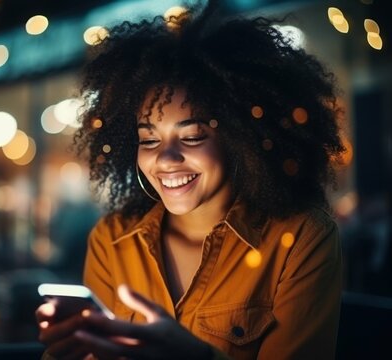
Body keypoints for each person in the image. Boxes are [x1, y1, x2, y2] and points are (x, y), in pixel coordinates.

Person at [36, 0, 346, 358]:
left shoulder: (300, 239)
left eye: (193, 136)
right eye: (149, 139)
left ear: (241, 139)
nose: (165, 159)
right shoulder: (113, 239)